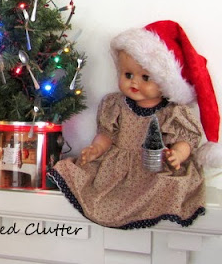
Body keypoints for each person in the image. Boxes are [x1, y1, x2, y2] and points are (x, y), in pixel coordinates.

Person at [50, 21, 221, 229]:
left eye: (145, 77)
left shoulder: (172, 112)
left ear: (165, 81)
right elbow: (106, 135)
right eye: (128, 74)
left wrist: (178, 155)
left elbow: (185, 140)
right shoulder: (115, 105)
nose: (134, 82)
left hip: (154, 168)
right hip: (117, 170)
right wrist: (96, 149)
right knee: (88, 180)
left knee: (167, 187)